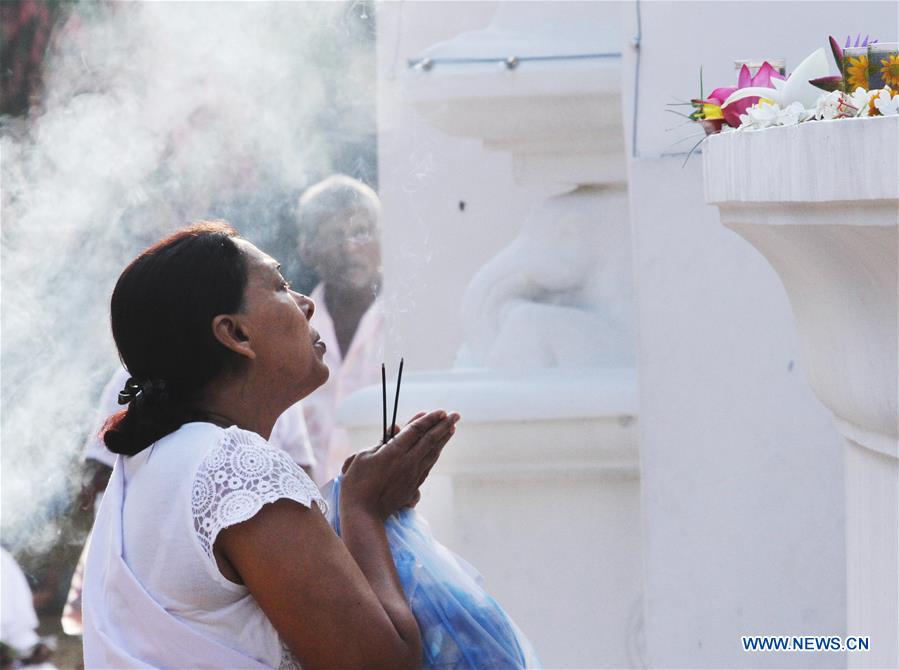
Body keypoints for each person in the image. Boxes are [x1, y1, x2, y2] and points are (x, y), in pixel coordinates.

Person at [82, 222, 460, 669]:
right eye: (281, 286)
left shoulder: (148, 462)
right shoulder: (238, 468)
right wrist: (364, 510)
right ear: (235, 334)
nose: (308, 304)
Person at [295, 175, 384, 485]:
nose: (349, 248)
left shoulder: (407, 325)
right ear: (306, 249)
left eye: (361, 232)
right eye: (334, 236)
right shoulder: (289, 331)